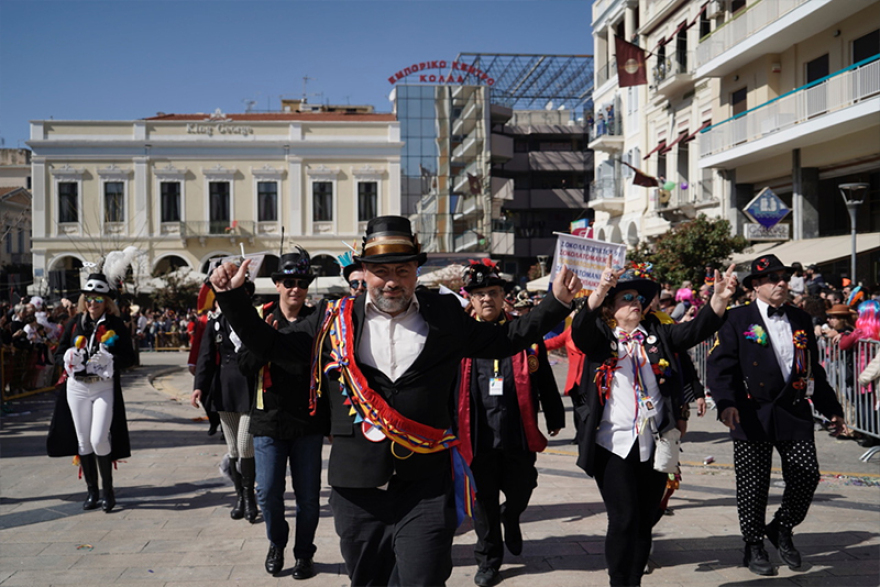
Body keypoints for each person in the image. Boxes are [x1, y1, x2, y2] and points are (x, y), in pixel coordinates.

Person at [208, 216, 582, 587]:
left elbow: (504, 339)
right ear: (364, 273)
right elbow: (273, 346)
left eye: (402, 270)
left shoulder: (445, 315)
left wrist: (557, 303)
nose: (392, 281)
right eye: (381, 271)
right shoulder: (333, 319)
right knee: (369, 581)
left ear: (416, 272)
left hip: (426, 484)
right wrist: (231, 299)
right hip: (357, 488)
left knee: (424, 577)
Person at [571, 256, 737, 587]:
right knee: (624, 518)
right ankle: (620, 581)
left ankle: (634, 579)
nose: (636, 303)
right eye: (627, 298)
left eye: (639, 298)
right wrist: (601, 289)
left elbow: (693, 331)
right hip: (612, 444)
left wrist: (717, 300)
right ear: (610, 308)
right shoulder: (601, 338)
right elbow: (580, 329)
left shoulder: (657, 333)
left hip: (655, 443)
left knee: (645, 518)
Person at [707, 254, 846, 576]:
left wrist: (832, 409)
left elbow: (813, 369)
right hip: (750, 411)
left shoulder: (800, 317)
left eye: (784, 277)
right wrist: (726, 403)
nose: (782, 283)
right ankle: (753, 543)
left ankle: (781, 527)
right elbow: (720, 366)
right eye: (773, 278)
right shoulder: (736, 318)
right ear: (756, 285)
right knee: (753, 484)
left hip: (792, 408)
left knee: (806, 475)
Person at [456, 262, 565, 586]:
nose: (486, 299)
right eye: (479, 294)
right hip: (478, 436)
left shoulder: (524, 332)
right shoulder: (460, 337)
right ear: (471, 300)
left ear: (504, 296)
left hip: (517, 431)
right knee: (484, 502)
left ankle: (512, 515)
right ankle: (488, 560)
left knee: (523, 487)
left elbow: (543, 377)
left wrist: (555, 414)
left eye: (492, 292)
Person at [238, 246, 330, 579]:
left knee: (308, 497)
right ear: (277, 284)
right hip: (268, 420)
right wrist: (267, 341)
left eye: (302, 283)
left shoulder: (317, 321)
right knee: (267, 492)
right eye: (289, 282)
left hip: (307, 421)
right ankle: (277, 542)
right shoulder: (260, 318)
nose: (296, 289)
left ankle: (304, 554)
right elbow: (244, 366)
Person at [47, 266, 136, 513]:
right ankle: (92, 492)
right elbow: (58, 354)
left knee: (99, 439)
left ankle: (108, 491)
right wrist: (68, 358)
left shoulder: (116, 324)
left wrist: (111, 361)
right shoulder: (75, 322)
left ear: (106, 302)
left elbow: (129, 357)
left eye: (97, 299)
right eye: (88, 299)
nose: (92, 303)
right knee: (83, 441)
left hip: (103, 387)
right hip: (76, 388)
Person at [192, 278, 259, 523]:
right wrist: (199, 387)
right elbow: (206, 356)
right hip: (225, 387)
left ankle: (250, 497)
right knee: (232, 448)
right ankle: (240, 496)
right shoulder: (216, 322)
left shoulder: (255, 319)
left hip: (249, 387)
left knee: (245, 446)